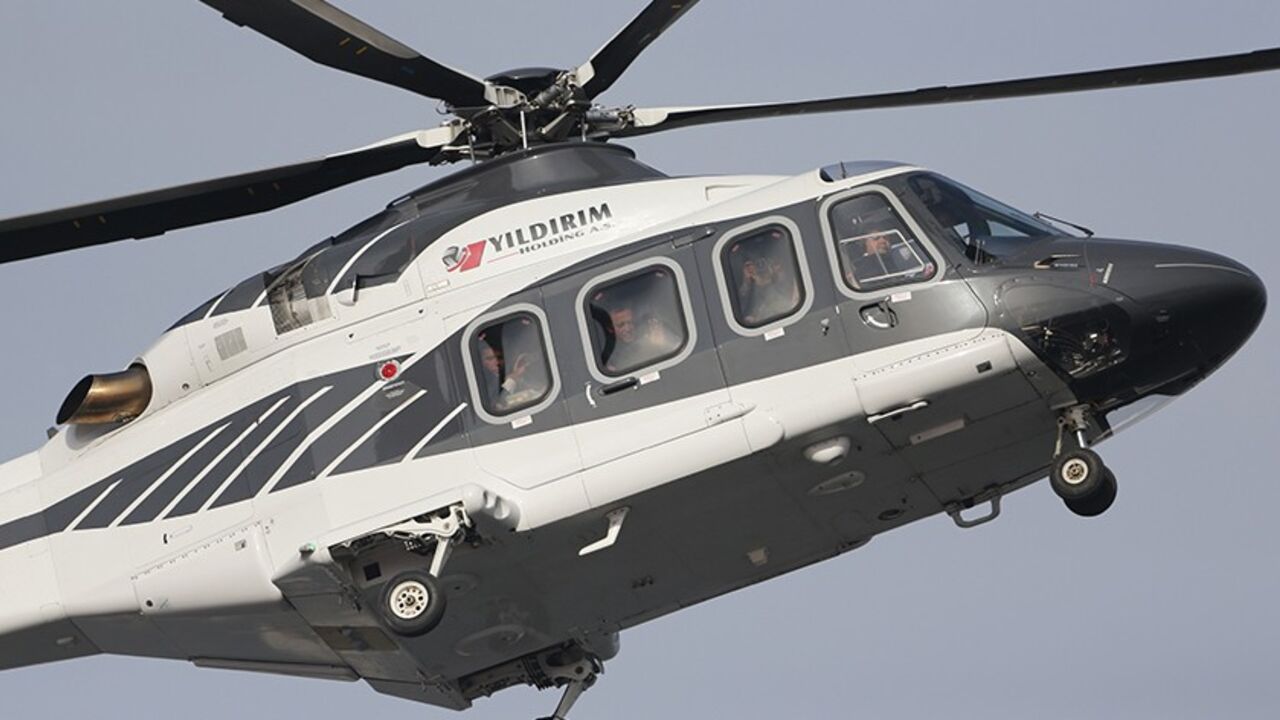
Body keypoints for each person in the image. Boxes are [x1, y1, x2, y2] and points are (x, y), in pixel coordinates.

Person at [601, 304, 680, 374]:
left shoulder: (652, 331)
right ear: (611, 328)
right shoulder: (610, 354)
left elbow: (677, 349)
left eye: (630, 322)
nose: (627, 328)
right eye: (621, 325)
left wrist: (663, 344)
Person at [477, 340, 543, 412]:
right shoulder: (482, 385)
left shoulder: (524, 369)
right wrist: (511, 380)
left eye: (499, 356)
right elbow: (495, 406)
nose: (497, 362)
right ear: (482, 362)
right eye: (490, 358)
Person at [736, 253, 800, 326]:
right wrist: (747, 281)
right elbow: (744, 311)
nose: (760, 267)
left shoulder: (786, 285)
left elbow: (790, 300)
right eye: (753, 265)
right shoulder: (747, 295)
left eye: (765, 263)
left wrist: (776, 274)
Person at [846, 231, 919, 287]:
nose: (883, 241)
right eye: (876, 238)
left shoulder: (899, 260)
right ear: (865, 243)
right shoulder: (858, 267)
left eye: (885, 238)